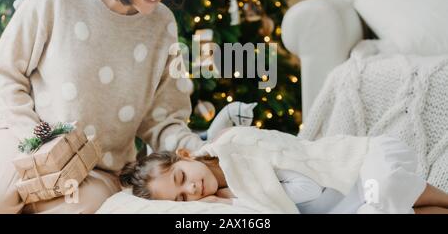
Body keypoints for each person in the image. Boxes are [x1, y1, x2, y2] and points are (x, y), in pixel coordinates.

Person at [0, 0, 204, 213]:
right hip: (25, 143)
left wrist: (203, 150)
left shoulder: (162, 25)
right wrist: (37, 140)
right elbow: (5, 71)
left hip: (98, 170)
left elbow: (165, 119)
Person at [120, 127, 448, 214]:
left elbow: (309, 186)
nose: (191, 190)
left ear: (185, 155)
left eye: (182, 178)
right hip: (344, 208)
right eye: (179, 199)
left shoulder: (236, 145)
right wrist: (232, 202)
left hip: (350, 171)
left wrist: (237, 193)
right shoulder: (219, 203)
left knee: (388, 186)